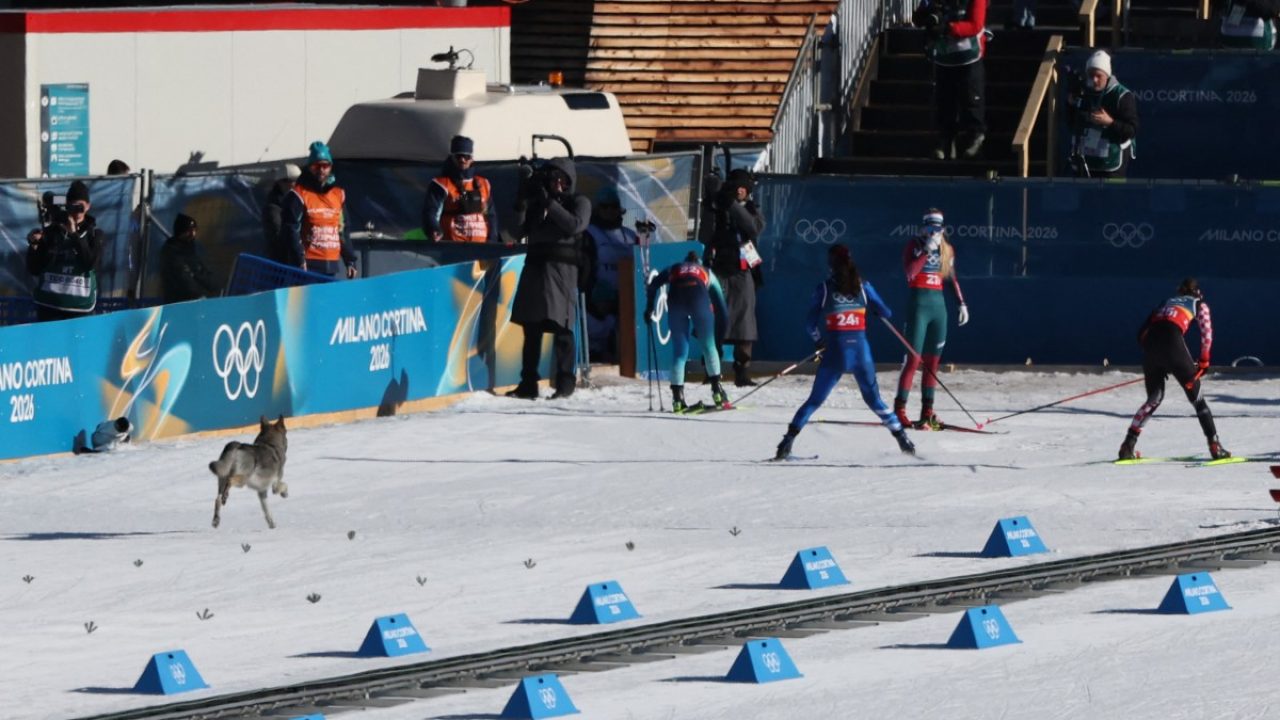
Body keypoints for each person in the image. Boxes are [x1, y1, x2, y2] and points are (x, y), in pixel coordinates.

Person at [776, 245, 915, 460]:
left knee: (814, 401)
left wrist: (818, 342)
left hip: (836, 351)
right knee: (874, 400)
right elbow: (886, 312)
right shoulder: (863, 286)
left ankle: (786, 444)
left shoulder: (823, 288)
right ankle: (903, 440)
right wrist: (876, 310)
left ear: (830, 263)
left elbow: (809, 324)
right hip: (861, 351)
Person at [507, 157, 592, 400]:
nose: (556, 184)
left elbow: (574, 225)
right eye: (553, 179)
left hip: (562, 274)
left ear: (569, 181)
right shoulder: (538, 203)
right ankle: (528, 383)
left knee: (562, 328)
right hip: (535, 271)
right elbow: (516, 231)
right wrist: (523, 200)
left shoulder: (579, 202)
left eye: (561, 179)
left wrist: (550, 204)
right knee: (531, 329)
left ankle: (565, 383)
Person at [1118, 278, 1230, 461]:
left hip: (1151, 346)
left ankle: (1127, 446)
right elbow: (1207, 334)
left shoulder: (1166, 302)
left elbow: (1141, 334)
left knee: (1153, 399)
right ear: (1197, 293)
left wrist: (1158, 360)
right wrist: (1204, 361)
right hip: (1172, 344)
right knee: (1197, 399)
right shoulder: (1199, 304)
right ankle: (1215, 447)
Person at [893, 209, 969, 430]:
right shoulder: (914, 245)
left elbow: (951, 277)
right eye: (930, 228)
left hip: (938, 308)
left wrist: (961, 303)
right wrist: (926, 251)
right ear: (923, 227)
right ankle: (899, 410)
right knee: (913, 360)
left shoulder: (947, 249)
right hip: (919, 306)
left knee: (933, 362)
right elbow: (910, 273)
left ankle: (927, 411)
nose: (934, 232)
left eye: (938, 228)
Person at [644, 251, 730, 413]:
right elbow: (722, 312)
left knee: (679, 352)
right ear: (698, 262)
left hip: (676, 301)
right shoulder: (707, 272)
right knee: (709, 347)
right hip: (699, 299)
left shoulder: (673, 268)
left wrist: (649, 309)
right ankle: (717, 392)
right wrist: (719, 342)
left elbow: (654, 284)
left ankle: (678, 400)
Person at [703, 168, 766, 387]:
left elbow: (753, 227)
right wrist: (715, 200)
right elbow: (705, 233)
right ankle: (712, 370)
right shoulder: (716, 208)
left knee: (744, 321)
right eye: (738, 188)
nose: (742, 192)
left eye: (743, 188)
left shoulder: (751, 209)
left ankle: (742, 370)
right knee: (714, 319)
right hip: (718, 268)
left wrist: (731, 205)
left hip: (742, 269)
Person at [914, 0, 989, 160]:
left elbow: (975, 24)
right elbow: (921, 17)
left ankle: (975, 140)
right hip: (944, 56)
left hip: (969, 56)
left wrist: (948, 28)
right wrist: (924, 17)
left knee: (971, 99)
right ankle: (946, 142)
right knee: (945, 101)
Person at [26, 180, 103, 322]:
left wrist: (74, 234)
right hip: (49, 306)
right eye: (73, 207)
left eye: (80, 207)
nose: (77, 212)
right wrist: (34, 246)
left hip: (80, 308)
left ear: (88, 207)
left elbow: (90, 263)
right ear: (67, 206)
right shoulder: (53, 232)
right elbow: (35, 268)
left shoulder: (94, 234)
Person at [282, 141, 358, 279]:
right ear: (310, 167)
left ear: (330, 167)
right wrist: (299, 259)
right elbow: (291, 229)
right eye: (317, 165)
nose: (321, 170)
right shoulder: (299, 194)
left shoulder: (338, 195)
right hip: (307, 265)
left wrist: (350, 260)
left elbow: (342, 230)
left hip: (331, 264)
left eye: (325, 165)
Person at [585, 186, 639, 363]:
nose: (609, 211)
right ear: (597, 209)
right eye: (604, 207)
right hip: (599, 301)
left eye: (613, 207)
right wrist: (592, 298)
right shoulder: (589, 234)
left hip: (627, 299)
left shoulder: (631, 236)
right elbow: (584, 268)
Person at [1065, 50, 1139, 179]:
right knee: (1086, 198)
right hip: (1087, 163)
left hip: (1112, 166)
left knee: (1112, 198)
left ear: (1107, 75)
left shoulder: (1122, 96)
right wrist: (1071, 104)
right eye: (1091, 75)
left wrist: (1110, 122)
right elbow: (1071, 123)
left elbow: (1131, 130)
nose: (1094, 80)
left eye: (1099, 76)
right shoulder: (1083, 93)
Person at [421, 135, 498, 244]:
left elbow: (491, 215)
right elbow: (430, 212)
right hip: (453, 248)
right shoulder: (441, 184)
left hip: (481, 248)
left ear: (472, 159)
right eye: (458, 156)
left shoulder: (483, 183)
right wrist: (434, 230)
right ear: (452, 157)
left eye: (466, 156)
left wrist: (492, 240)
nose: (462, 159)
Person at [159, 213, 219, 303]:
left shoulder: (191, 250)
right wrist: (200, 295)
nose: (193, 234)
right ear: (181, 231)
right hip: (181, 303)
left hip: (197, 301)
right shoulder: (171, 252)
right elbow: (184, 279)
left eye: (194, 230)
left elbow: (203, 272)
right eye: (189, 231)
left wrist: (212, 288)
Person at [262, 162, 301, 263]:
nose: (298, 185)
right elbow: (280, 236)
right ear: (281, 183)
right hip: (285, 262)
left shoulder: (297, 201)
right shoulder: (273, 208)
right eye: (294, 181)